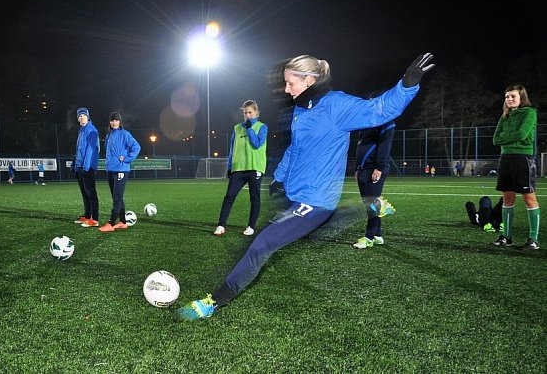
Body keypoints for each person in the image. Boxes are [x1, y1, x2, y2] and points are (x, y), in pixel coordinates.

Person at [178, 52, 435, 320]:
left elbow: (379, 110)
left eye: (291, 83)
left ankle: (214, 302)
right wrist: (280, 177)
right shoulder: (302, 110)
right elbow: (296, 148)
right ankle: (371, 205)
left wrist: (407, 84)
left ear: (309, 80)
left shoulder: (336, 105)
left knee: (261, 245)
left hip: (316, 199)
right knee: (316, 233)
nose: (287, 89)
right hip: (296, 193)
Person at [492, 85, 540, 250]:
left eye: (513, 96)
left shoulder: (530, 112)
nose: (509, 99)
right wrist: (507, 138)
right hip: (505, 158)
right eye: (507, 97)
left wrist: (505, 137)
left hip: (523, 159)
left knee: (528, 198)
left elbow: (522, 134)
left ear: (521, 98)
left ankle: (533, 239)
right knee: (507, 198)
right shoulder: (504, 116)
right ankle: (507, 237)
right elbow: (495, 139)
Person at [213, 100, 268, 237]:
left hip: (255, 168)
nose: (247, 115)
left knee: (254, 198)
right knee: (229, 196)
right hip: (238, 169)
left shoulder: (262, 127)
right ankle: (221, 225)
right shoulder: (237, 128)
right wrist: (230, 167)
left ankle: (251, 226)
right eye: (245, 113)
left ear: (256, 112)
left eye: (250, 112)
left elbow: (256, 144)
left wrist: (249, 128)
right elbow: (232, 149)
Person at [352, 115, 396, 249]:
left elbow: (385, 146)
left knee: (372, 203)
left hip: (374, 168)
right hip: (363, 168)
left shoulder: (386, 121)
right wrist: (357, 168)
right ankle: (377, 235)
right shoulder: (367, 122)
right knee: (369, 204)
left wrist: (379, 167)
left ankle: (369, 237)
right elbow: (361, 146)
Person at [98, 112, 141, 232]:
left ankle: (111, 223)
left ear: (120, 122)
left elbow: (137, 147)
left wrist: (127, 159)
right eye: (112, 120)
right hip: (111, 170)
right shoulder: (109, 135)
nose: (114, 122)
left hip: (121, 169)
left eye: (116, 120)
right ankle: (123, 222)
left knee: (117, 197)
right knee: (117, 197)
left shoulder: (125, 134)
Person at [73, 107, 100, 228]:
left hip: (88, 167)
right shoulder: (81, 131)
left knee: (91, 192)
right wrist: (76, 166)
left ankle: (94, 219)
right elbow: (78, 150)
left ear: (88, 117)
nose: (81, 117)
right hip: (80, 166)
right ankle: (87, 215)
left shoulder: (92, 130)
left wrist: (86, 167)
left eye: (83, 115)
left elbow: (90, 150)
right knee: (85, 192)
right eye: (79, 116)